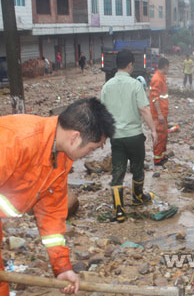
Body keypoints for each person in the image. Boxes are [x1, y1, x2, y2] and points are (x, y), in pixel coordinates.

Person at [0, 98, 115, 295]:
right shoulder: (14, 140)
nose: (89, 154)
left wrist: (62, 267)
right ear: (75, 137)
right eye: (92, 148)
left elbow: (51, 214)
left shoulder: (59, 157)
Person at [101, 49, 157, 223]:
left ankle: (119, 210)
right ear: (130, 64)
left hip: (116, 137)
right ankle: (138, 197)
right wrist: (153, 130)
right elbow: (144, 110)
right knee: (137, 168)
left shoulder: (107, 86)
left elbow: (102, 114)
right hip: (134, 136)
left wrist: (103, 135)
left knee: (117, 172)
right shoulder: (135, 85)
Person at [149, 57, 170, 166]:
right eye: (168, 67)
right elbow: (155, 98)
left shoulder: (161, 78)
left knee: (163, 136)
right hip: (158, 114)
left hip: (162, 113)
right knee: (159, 135)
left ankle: (161, 156)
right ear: (165, 66)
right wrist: (160, 114)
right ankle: (157, 159)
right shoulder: (157, 79)